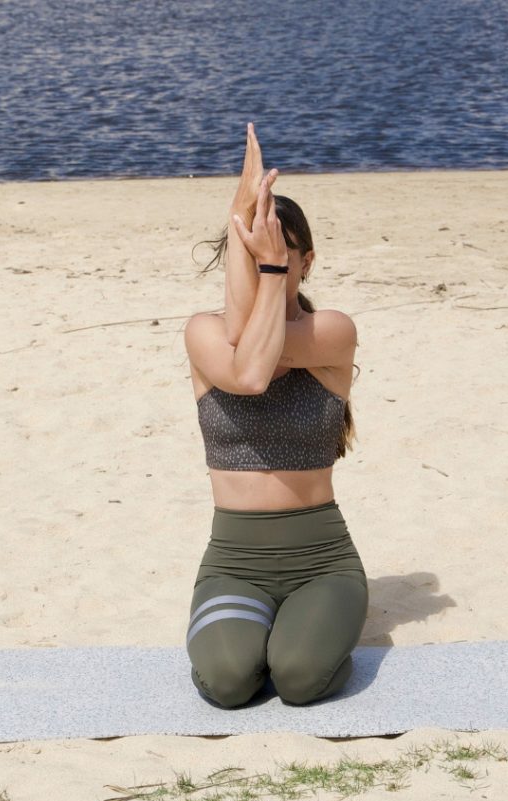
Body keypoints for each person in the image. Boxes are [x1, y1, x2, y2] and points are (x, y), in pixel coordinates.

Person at [183, 123, 368, 708]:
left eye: (279, 248)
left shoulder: (330, 332)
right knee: (230, 683)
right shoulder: (204, 334)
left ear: (306, 261)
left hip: (323, 562)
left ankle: (299, 636)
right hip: (233, 561)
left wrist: (262, 269)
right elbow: (246, 368)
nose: (267, 256)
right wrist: (246, 232)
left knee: (297, 680)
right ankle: (254, 631)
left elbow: (260, 362)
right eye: (249, 245)